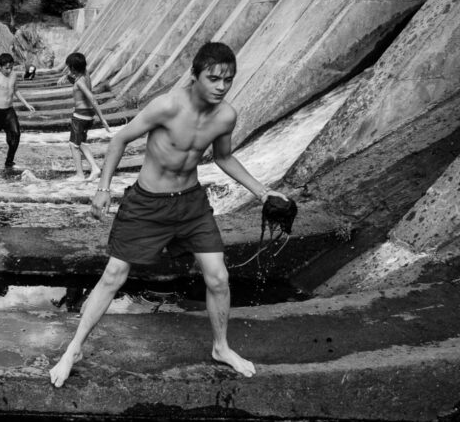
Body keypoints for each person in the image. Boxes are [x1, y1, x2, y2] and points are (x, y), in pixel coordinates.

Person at [49, 42, 289, 388]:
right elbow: (119, 141)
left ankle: (221, 347)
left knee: (218, 277)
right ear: (195, 76)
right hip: (147, 203)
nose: (222, 86)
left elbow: (223, 158)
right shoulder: (167, 105)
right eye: (214, 78)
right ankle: (73, 349)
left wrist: (263, 191)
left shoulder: (226, 116)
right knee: (114, 274)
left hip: (191, 204)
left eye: (228, 80)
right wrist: (104, 188)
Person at [60, 52, 111, 181]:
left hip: (80, 116)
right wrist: (67, 77)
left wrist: (102, 118)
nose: (68, 69)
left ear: (73, 68)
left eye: (69, 67)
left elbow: (92, 99)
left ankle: (80, 175)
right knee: (81, 143)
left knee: (73, 145)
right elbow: (77, 82)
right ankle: (95, 168)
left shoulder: (80, 83)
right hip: (88, 115)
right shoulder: (86, 75)